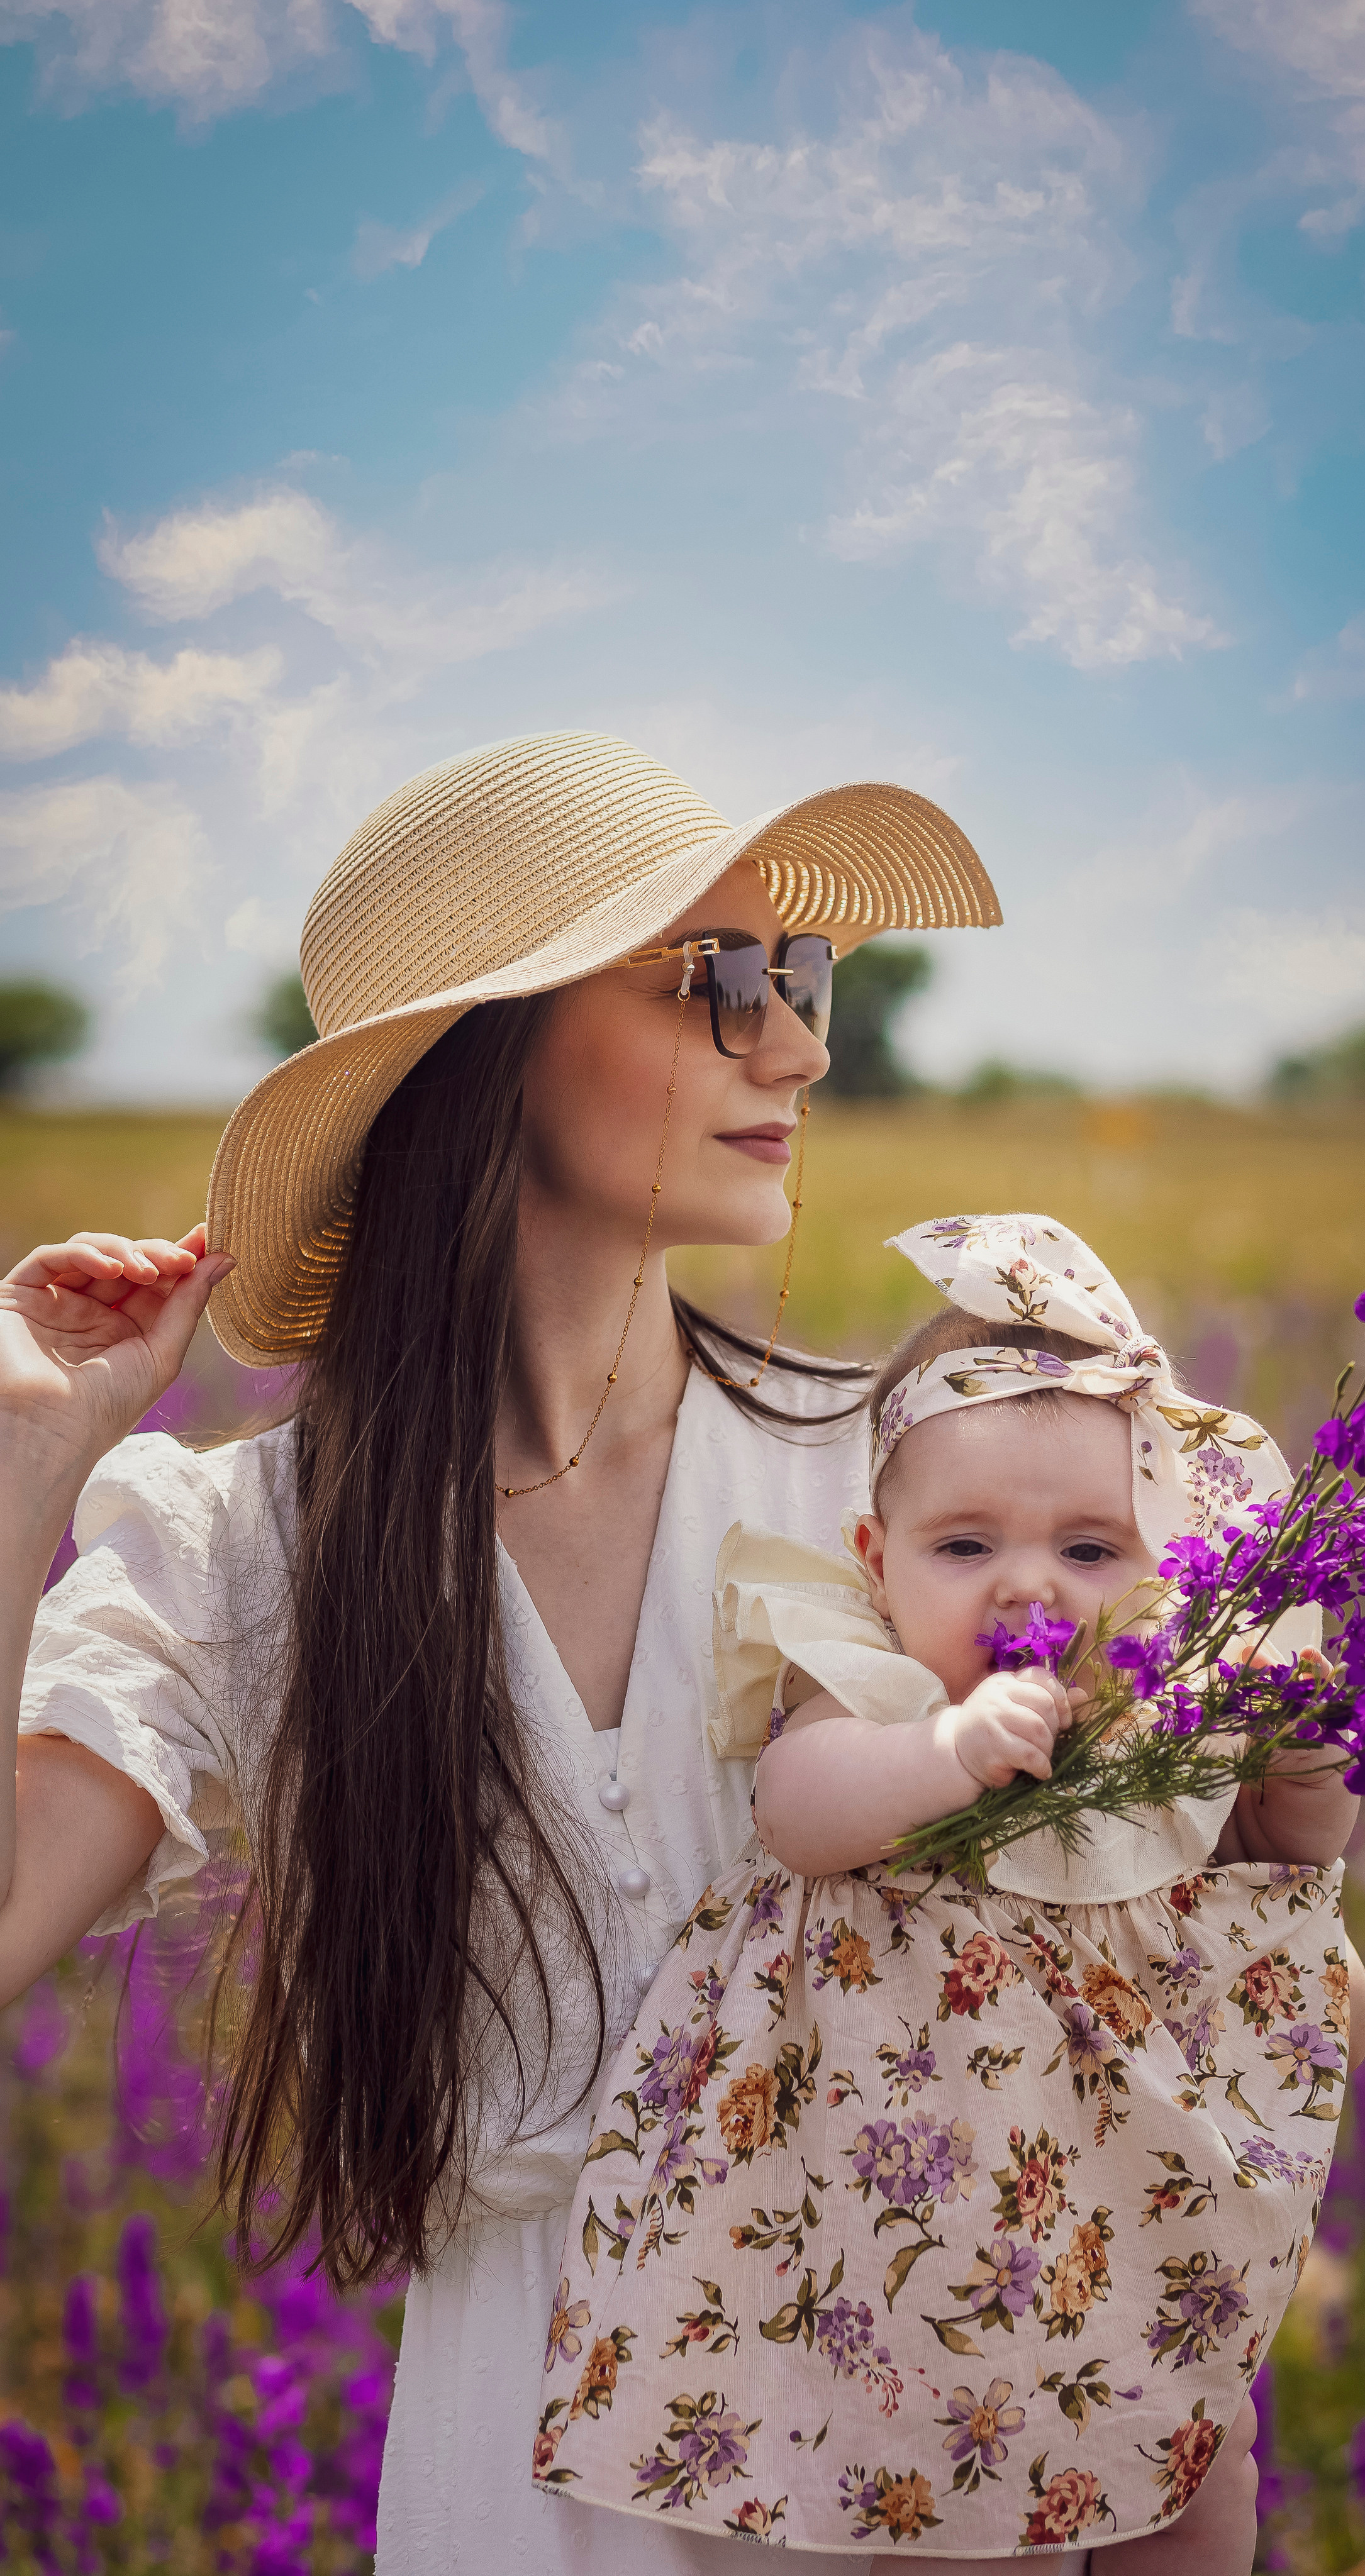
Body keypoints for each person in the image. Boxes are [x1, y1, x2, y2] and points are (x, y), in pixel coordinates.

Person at [0, 730, 1001, 2574]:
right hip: (517, 2487)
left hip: (910, 2430)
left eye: (805, 977)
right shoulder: (252, 1549)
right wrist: (30, 1455)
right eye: (720, 979)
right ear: (492, 1045)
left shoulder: (905, 1473)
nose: (798, 1043)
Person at [537, 1213, 1365, 2573]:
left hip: (1136, 2194)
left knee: (1202, 2448)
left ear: (1165, 1566)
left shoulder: (1160, 1712)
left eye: (1094, 1550)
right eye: (966, 1545)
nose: (1031, 1581)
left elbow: (1286, 1853)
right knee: (978, 2507)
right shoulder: (869, 1676)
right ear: (877, 1557)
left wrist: (1308, 1754)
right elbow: (798, 1817)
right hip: (940, 2240)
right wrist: (944, 1750)